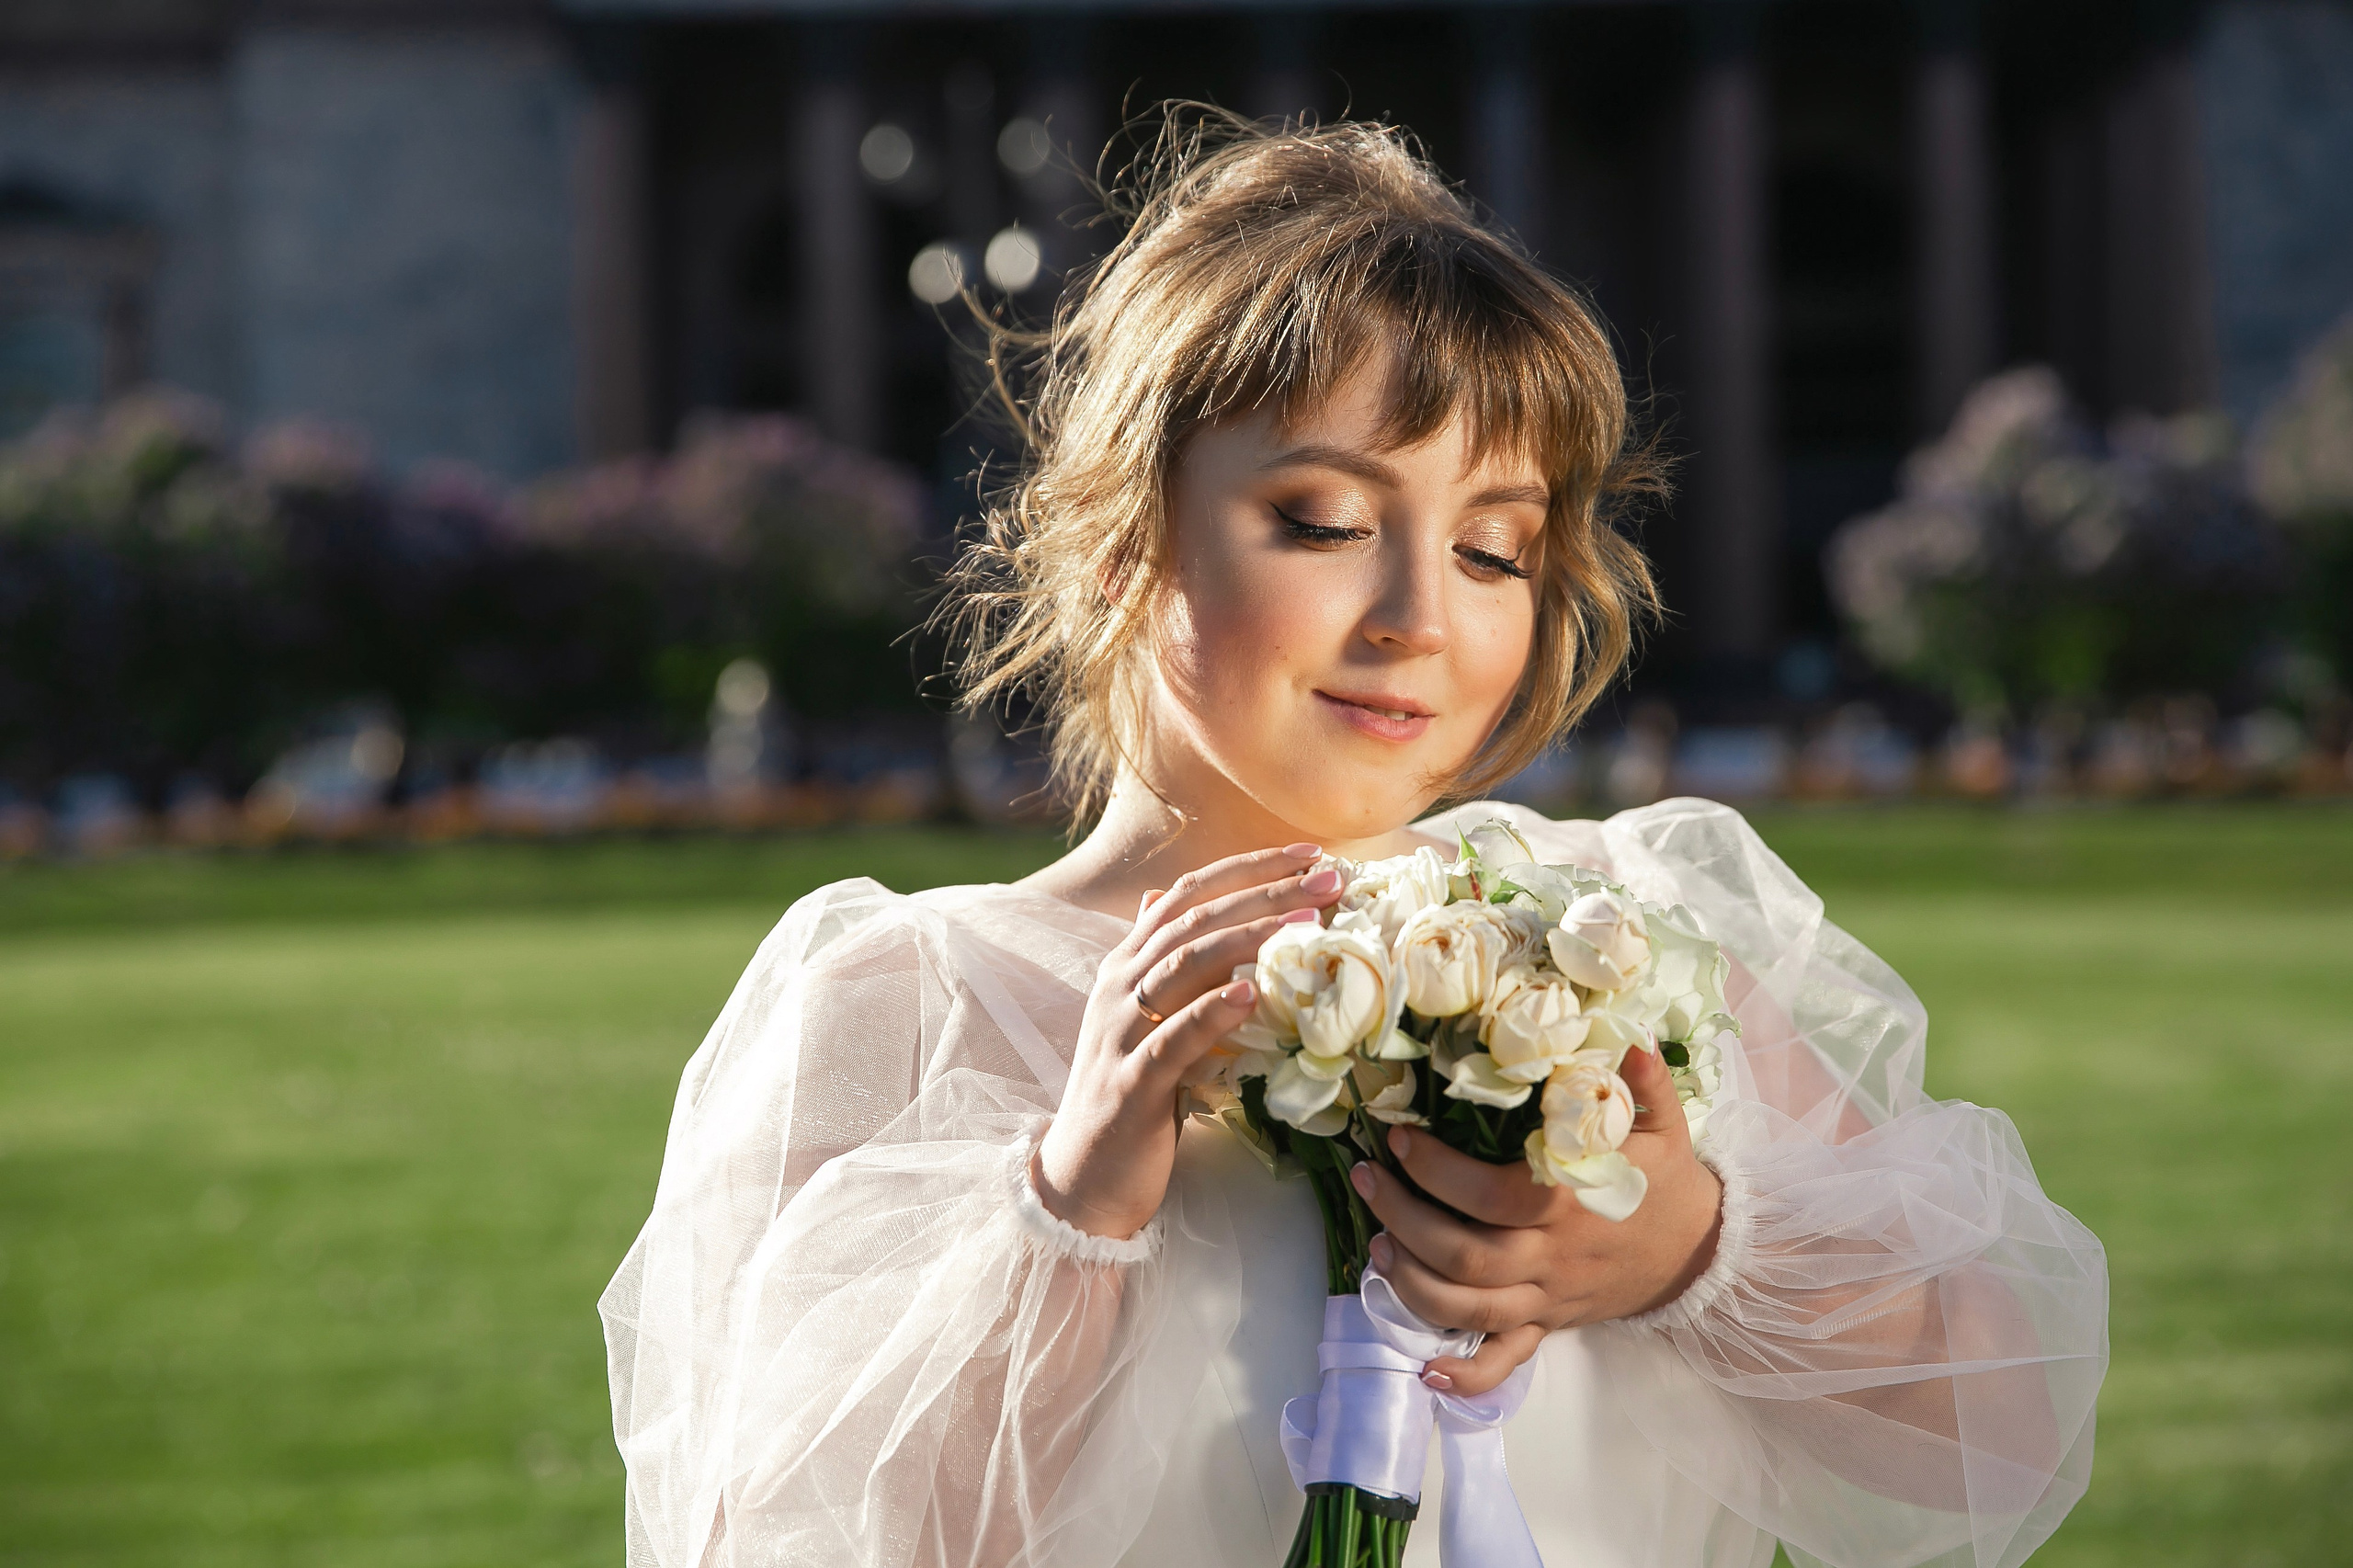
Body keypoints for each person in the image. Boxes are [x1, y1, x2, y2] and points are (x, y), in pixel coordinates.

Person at [601, 113, 2108, 1568]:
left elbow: (1995, 1427)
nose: (1419, 619)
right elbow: (773, 1536)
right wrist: (1069, 1205)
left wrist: (1696, 1253)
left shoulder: (1620, 944)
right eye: (1323, 520)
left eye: (1494, 548)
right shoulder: (908, 1007)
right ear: (1124, 540)